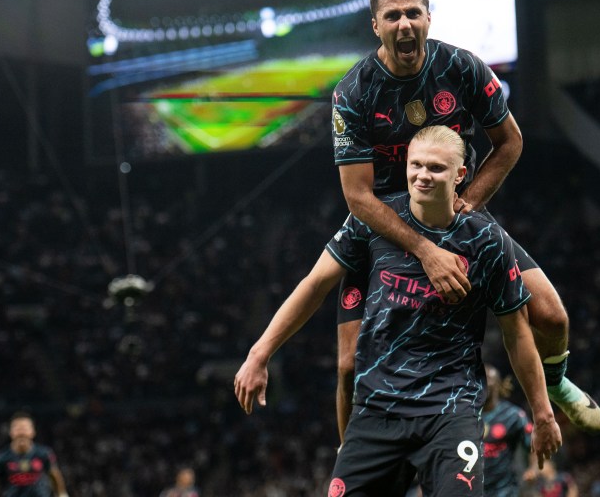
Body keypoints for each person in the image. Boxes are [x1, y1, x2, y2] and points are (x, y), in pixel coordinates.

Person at [331, 0, 600, 440]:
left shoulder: (462, 67)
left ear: (429, 18)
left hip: (452, 216)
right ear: (376, 26)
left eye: (413, 12)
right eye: (392, 16)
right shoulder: (353, 93)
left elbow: (510, 142)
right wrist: (424, 250)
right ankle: (350, 465)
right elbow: (357, 195)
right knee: (350, 363)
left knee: (553, 317)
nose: (404, 24)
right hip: (384, 228)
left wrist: (469, 201)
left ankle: (554, 382)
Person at [235, 126, 561, 496]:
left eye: (436, 168)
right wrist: (259, 353)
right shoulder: (372, 221)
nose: (422, 175)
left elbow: (517, 333)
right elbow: (314, 285)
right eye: (416, 165)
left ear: (460, 175)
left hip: (449, 409)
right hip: (378, 409)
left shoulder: (486, 241)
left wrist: (543, 411)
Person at [0, 412, 68, 497]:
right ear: (10, 432)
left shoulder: (44, 453)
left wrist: (62, 494)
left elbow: (55, 476)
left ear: (33, 431)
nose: (21, 432)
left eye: (25, 428)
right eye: (17, 428)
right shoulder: (1, 457)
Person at [482, 365, 533, 497]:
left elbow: (534, 443)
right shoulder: (466, 417)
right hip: (472, 489)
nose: (483, 381)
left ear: (498, 385)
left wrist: (533, 469)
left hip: (504, 490)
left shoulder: (513, 415)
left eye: (488, 378)